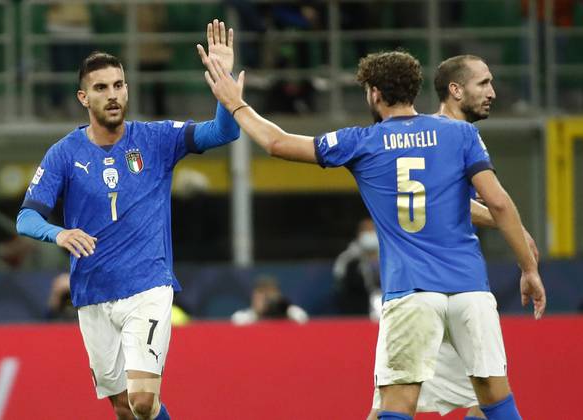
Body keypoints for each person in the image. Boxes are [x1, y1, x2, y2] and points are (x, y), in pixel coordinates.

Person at [197, 42, 546, 420]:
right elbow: (497, 204)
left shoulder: (362, 142)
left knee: (394, 409)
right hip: (470, 291)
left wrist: (235, 103)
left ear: (375, 93)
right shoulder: (459, 135)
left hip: (411, 293)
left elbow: (277, 142)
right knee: (496, 402)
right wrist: (527, 267)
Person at [16, 20, 239, 420]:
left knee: (141, 399)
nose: (113, 95)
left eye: (119, 85)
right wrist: (59, 232)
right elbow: (26, 217)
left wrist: (224, 88)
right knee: (123, 408)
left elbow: (223, 133)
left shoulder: (156, 139)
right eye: (101, 88)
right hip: (93, 295)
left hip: (147, 287)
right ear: (84, 97)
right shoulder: (63, 154)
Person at [372, 54, 542, 420]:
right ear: (455, 89)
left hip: (431, 289)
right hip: (438, 284)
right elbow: (470, 205)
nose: (492, 92)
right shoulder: (448, 136)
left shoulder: (447, 132)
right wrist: (512, 228)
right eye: (483, 84)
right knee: (483, 397)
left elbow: (456, 205)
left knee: (473, 402)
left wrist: (511, 224)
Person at [333, 218, 381, 320]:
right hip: (358, 313)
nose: (369, 234)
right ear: (359, 234)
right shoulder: (349, 260)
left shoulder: (391, 257)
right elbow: (342, 282)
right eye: (366, 230)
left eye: (372, 230)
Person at [231, 275, 309, 325]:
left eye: (270, 293)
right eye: (262, 293)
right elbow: (236, 322)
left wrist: (284, 309)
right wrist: (258, 314)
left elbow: (303, 320)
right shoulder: (242, 316)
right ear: (254, 296)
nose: (266, 300)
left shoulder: (290, 312)